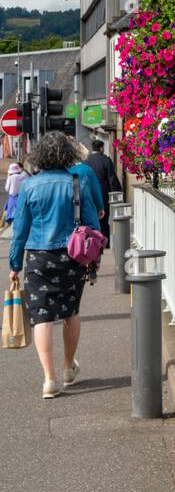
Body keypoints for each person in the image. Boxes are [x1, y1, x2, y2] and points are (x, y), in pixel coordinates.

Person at [8, 131, 101, 399]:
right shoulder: (76, 182)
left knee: (42, 317)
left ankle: (49, 379)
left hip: (38, 258)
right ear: (67, 155)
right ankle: (68, 367)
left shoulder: (29, 185)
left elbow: (20, 231)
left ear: (40, 156)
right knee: (71, 312)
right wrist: (94, 259)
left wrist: (15, 264)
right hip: (72, 257)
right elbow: (92, 226)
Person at [84, 137, 121, 241]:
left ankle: (92, 241)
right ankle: (104, 242)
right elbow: (111, 179)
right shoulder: (105, 160)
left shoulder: (86, 161)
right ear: (101, 148)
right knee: (104, 220)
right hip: (103, 194)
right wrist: (117, 193)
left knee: (91, 218)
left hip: (89, 195)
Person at [2, 159, 25, 233]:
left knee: (11, 215)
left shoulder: (11, 177)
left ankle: (13, 229)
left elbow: (6, 188)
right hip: (21, 197)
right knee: (20, 214)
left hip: (12, 197)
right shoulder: (23, 177)